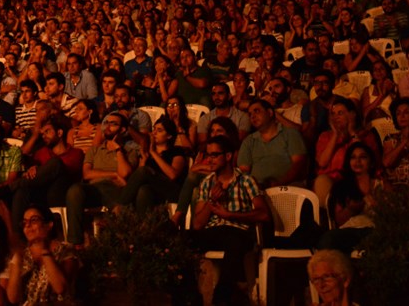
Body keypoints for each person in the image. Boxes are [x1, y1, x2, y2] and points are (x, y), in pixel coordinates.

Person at [191, 136, 270, 305]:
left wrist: (230, 215)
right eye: (208, 155)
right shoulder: (207, 183)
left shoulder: (246, 181)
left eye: (214, 155)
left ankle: (221, 297)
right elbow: (198, 224)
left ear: (228, 156)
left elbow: (263, 214)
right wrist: (211, 201)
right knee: (183, 239)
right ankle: (189, 297)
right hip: (213, 231)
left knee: (234, 241)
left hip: (238, 230)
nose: (209, 160)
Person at [65, 111, 140, 246]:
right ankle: (75, 243)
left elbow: (125, 174)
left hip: (114, 190)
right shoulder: (94, 150)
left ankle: (121, 245)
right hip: (93, 189)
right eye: (106, 123)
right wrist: (113, 174)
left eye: (113, 124)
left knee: (113, 195)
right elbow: (87, 174)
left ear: (122, 130)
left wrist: (117, 150)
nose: (107, 127)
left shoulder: (130, 152)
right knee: (75, 189)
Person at [313, 97, 380, 204]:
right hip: (332, 183)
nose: (335, 117)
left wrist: (352, 132)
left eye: (340, 113)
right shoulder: (326, 136)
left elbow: (362, 156)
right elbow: (322, 163)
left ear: (352, 114)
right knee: (321, 181)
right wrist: (335, 135)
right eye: (333, 114)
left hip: (357, 180)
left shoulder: (366, 135)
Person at [8, 204, 78, 305]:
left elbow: (60, 289)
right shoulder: (22, 254)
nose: (27, 226)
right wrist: (17, 258)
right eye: (24, 222)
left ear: (49, 225)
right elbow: (12, 298)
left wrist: (45, 251)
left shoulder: (65, 250)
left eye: (34, 220)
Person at [319, 142, 383, 254]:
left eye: (362, 157)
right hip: (350, 231)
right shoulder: (342, 186)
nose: (357, 161)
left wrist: (376, 205)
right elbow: (339, 221)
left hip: (375, 230)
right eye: (353, 157)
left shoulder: (381, 185)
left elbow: (392, 214)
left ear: (371, 163)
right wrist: (351, 210)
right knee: (328, 239)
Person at [116, 116, 187, 213]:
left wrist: (153, 152)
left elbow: (173, 175)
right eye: (154, 129)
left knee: (144, 171)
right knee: (143, 190)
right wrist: (144, 160)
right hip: (153, 191)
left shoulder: (176, 151)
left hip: (171, 190)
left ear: (169, 136)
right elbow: (137, 178)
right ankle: (144, 226)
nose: (154, 133)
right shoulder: (148, 153)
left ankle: (119, 208)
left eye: (159, 130)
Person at [239, 99, 307, 187]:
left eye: (257, 111)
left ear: (270, 113)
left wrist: (279, 183)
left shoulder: (290, 134)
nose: (252, 116)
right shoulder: (248, 141)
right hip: (258, 191)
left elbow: (299, 163)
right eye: (250, 114)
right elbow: (244, 171)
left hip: (288, 187)